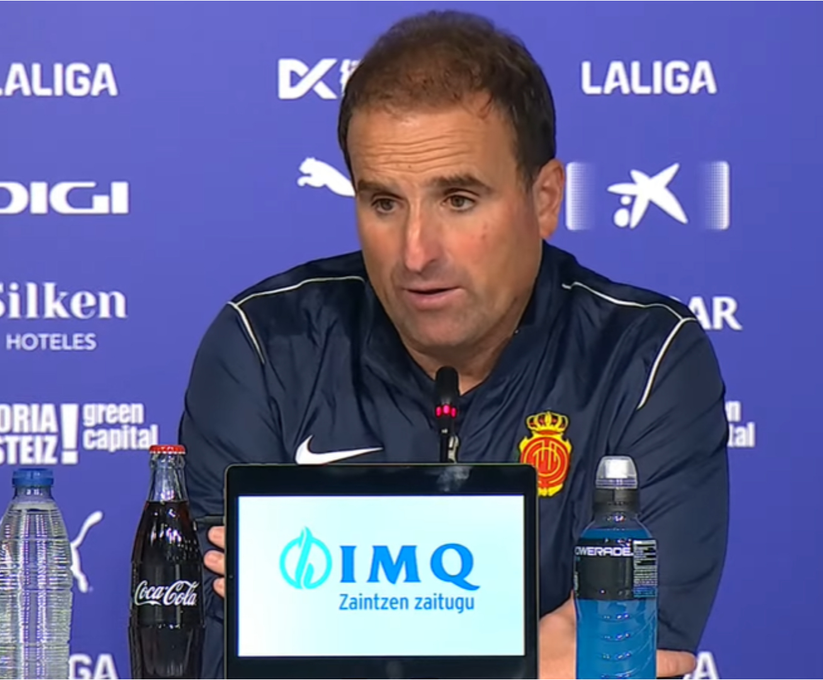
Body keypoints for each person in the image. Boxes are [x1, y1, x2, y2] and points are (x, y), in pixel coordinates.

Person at [179, 9, 730, 679]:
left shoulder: (646, 359)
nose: (416, 253)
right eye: (384, 202)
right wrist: (523, 662)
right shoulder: (266, 347)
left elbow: (623, 658)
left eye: (459, 199)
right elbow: (212, 663)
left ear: (545, 198)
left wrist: (323, 623)